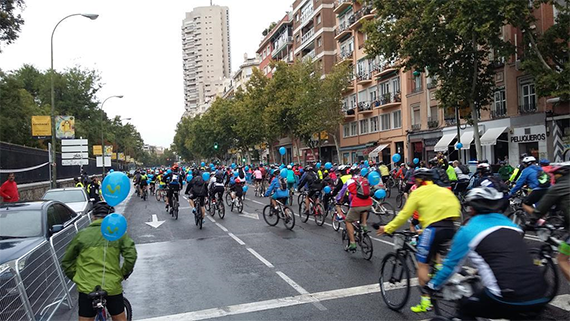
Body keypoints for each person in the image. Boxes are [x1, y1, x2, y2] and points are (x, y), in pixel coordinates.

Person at [427, 187, 549, 321]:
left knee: (466, 310)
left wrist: (432, 286)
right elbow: (505, 257)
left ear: (472, 209)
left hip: (507, 296)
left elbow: (451, 266)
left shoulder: (468, 230)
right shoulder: (513, 226)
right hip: (540, 292)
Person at [376, 168, 460, 313]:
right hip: (450, 227)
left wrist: (388, 228)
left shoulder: (418, 192)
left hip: (433, 229)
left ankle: (425, 302)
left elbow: (404, 214)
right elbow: (456, 209)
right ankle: (439, 275)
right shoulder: (443, 190)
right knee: (435, 254)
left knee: (422, 264)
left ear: (419, 180)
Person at [61, 202, 137, 321]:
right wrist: (123, 273)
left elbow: (67, 261)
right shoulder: (118, 233)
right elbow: (131, 255)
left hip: (87, 287)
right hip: (112, 286)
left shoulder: (82, 235)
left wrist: (77, 277)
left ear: (93, 217)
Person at [530, 163, 570, 283]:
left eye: (555, 175)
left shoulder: (559, 186)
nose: (554, 177)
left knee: (562, 258)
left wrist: (530, 222)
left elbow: (541, 209)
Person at [336, 166, 371, 252]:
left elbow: (342, 193)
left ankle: (352, 243)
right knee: (364, 210)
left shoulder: (349, 181)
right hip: (368, 203)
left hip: (356, 204)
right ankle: (364, 226)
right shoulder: (365, 180)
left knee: (348, 220)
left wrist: (338, 201)